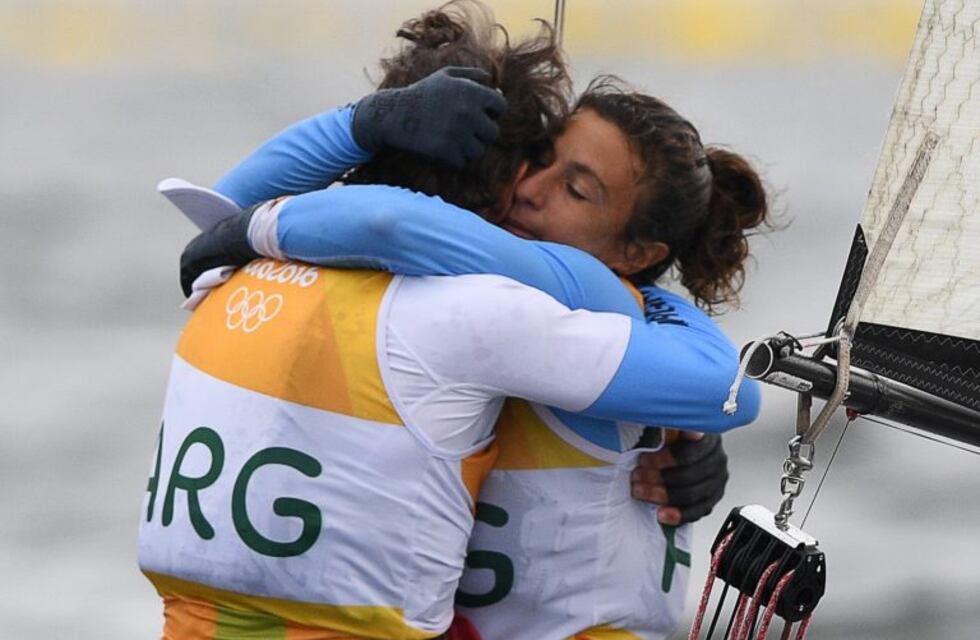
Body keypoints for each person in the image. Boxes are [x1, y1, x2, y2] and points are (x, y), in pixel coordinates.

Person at [154, 4, 761, 640]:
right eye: (538, 160)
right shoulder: (479, 301)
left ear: (639, 256)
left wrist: (281, 204)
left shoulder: (262, 272)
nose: (531, 190)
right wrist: (363, 131)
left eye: (576, 190)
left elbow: (728, 388)